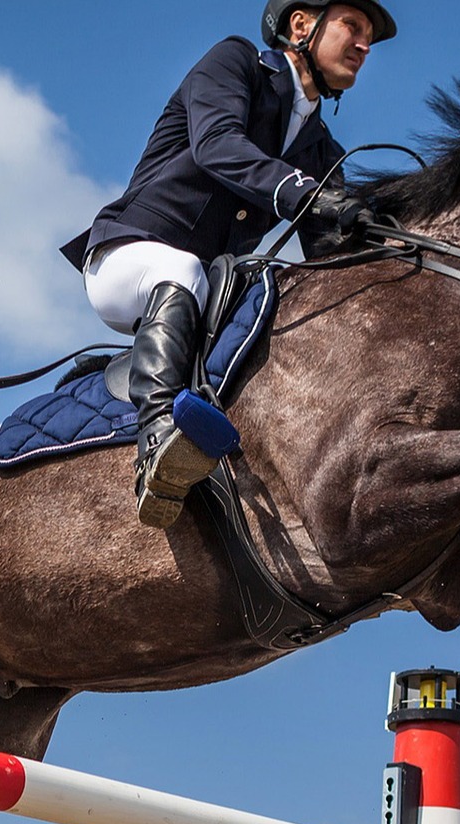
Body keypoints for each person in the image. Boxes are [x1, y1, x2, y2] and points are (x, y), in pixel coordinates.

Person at [59, 0, 397, 529]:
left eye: (368, 36)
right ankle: (156, 442)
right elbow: (218, 145)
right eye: (352, 26)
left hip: (207, 290)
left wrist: (386, 250)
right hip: (128, 255)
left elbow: (329, 256)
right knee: (183, 272)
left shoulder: (323, 149)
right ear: (301, 24)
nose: (363, 45)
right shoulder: (235, 61)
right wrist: (304, 192)